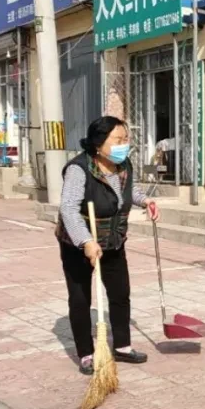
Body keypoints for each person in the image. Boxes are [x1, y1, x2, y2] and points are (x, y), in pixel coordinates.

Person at [55, 116, 160, 374]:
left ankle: (122, 346)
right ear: (98, 143)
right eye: (118, 139)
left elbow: (126, 192)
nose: (124, 144)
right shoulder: (78, 169)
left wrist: (145, 201)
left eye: (126, 139)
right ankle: (86, 354)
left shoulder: (122, 165)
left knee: (120, 293)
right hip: (79, 245)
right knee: (80, 299)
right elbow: (68, 210)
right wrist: (86, 242)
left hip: (113, 242)